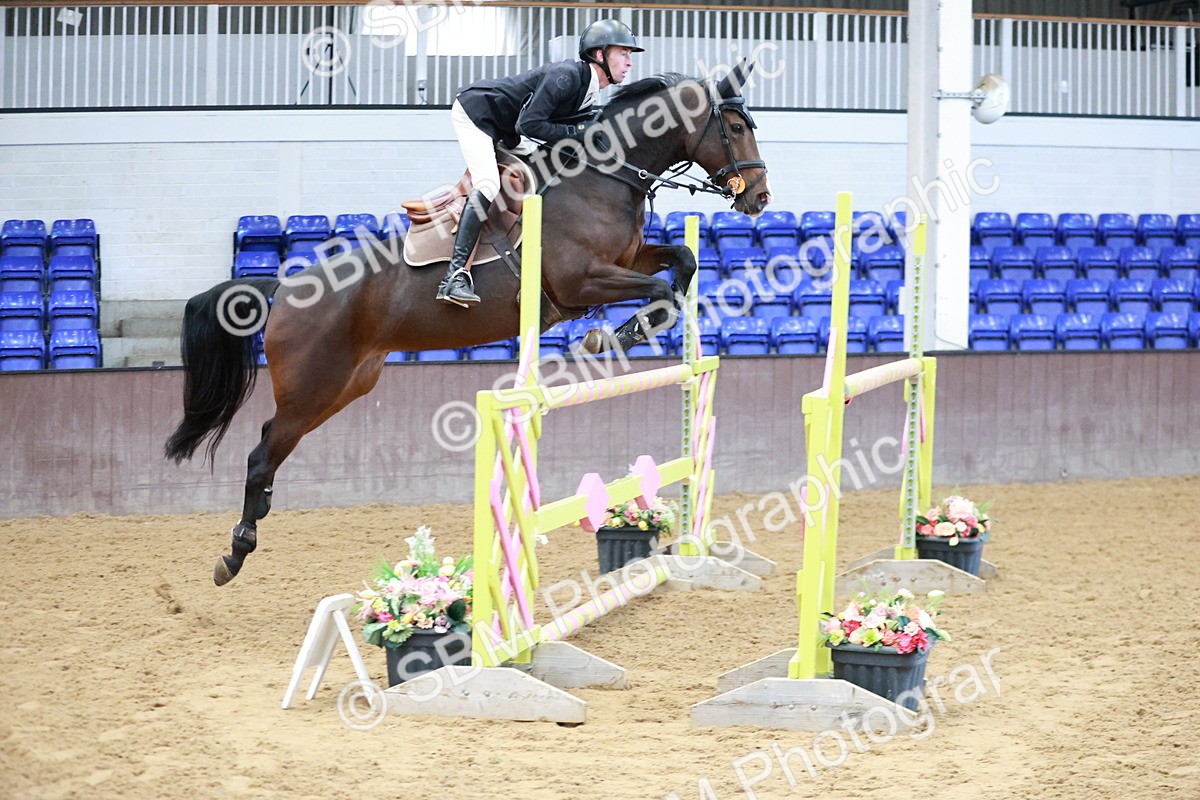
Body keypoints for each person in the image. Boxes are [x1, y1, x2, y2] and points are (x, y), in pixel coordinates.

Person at [436, 18, 643, 307]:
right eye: (623, 53)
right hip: (478, 115)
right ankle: (454, 276)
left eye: (629, 55)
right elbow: (529, 124)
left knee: (540, 177)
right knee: (488, 183)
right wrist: (578, 132)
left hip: (507, 129)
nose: (629, 62)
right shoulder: (566, 77)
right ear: (599, 54)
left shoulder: (590, 90)